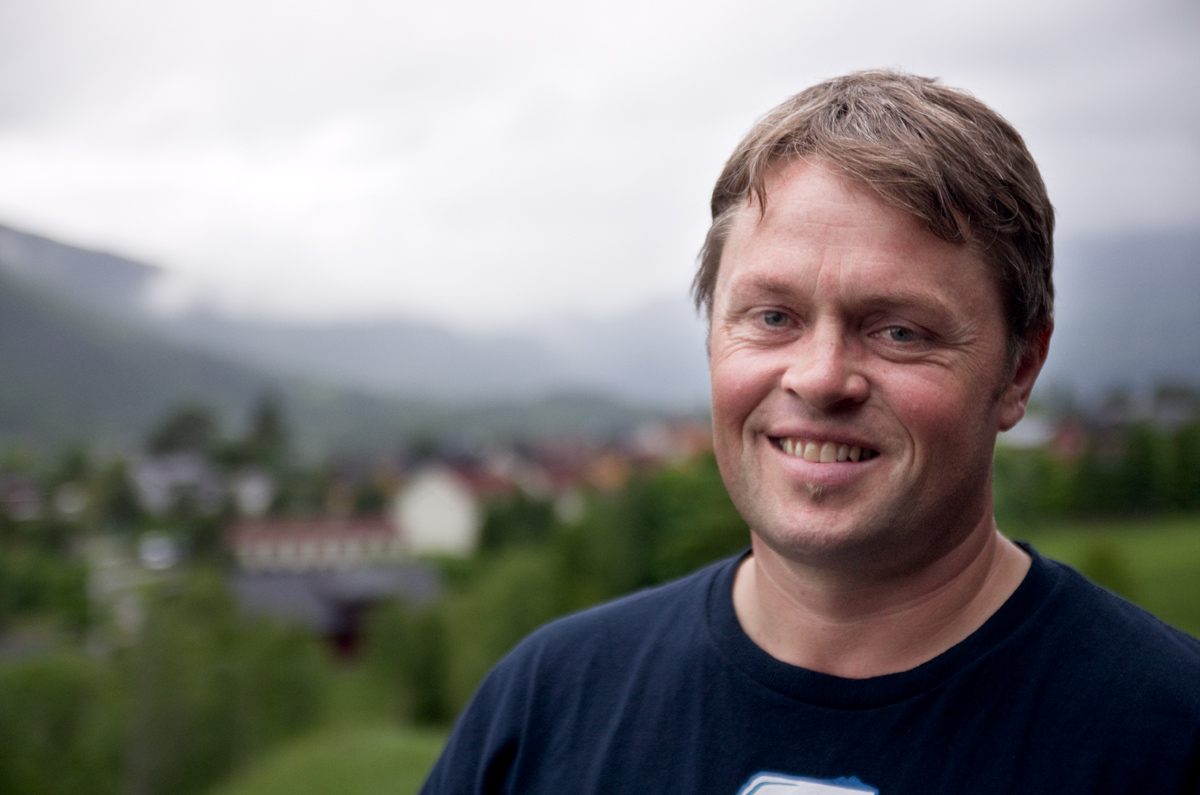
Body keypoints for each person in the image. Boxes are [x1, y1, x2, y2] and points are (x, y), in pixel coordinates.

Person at [419, 71, 1200, 794]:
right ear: (712, 338)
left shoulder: (1172, 734)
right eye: (773, 317)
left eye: (899, 330)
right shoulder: (543, 710)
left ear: (1020, 369)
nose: (821, 377)